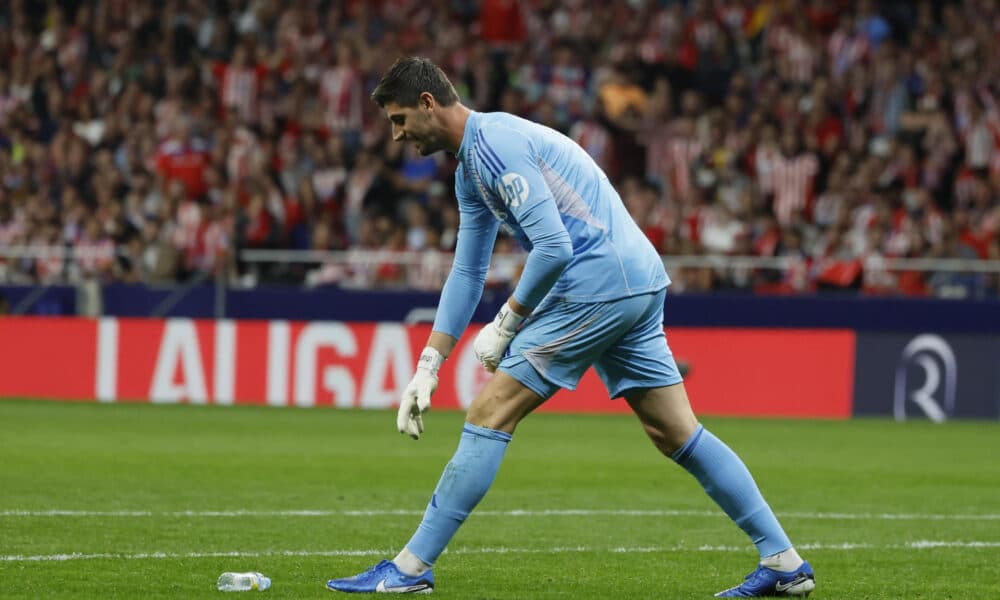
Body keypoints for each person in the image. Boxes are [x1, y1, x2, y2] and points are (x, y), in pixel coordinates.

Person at [326, 57, 816, 597]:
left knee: (491, 411)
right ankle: (784, 562)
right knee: (676, 431)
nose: (396, 136)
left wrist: (507, 322)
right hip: (637, 278)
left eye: (398, 120)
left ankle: (410, 569)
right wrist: (429, 364)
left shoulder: (495, 148)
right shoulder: (473, 166)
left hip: (596, 281)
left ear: (427, 104)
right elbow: (467, 271)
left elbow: (556, 247)